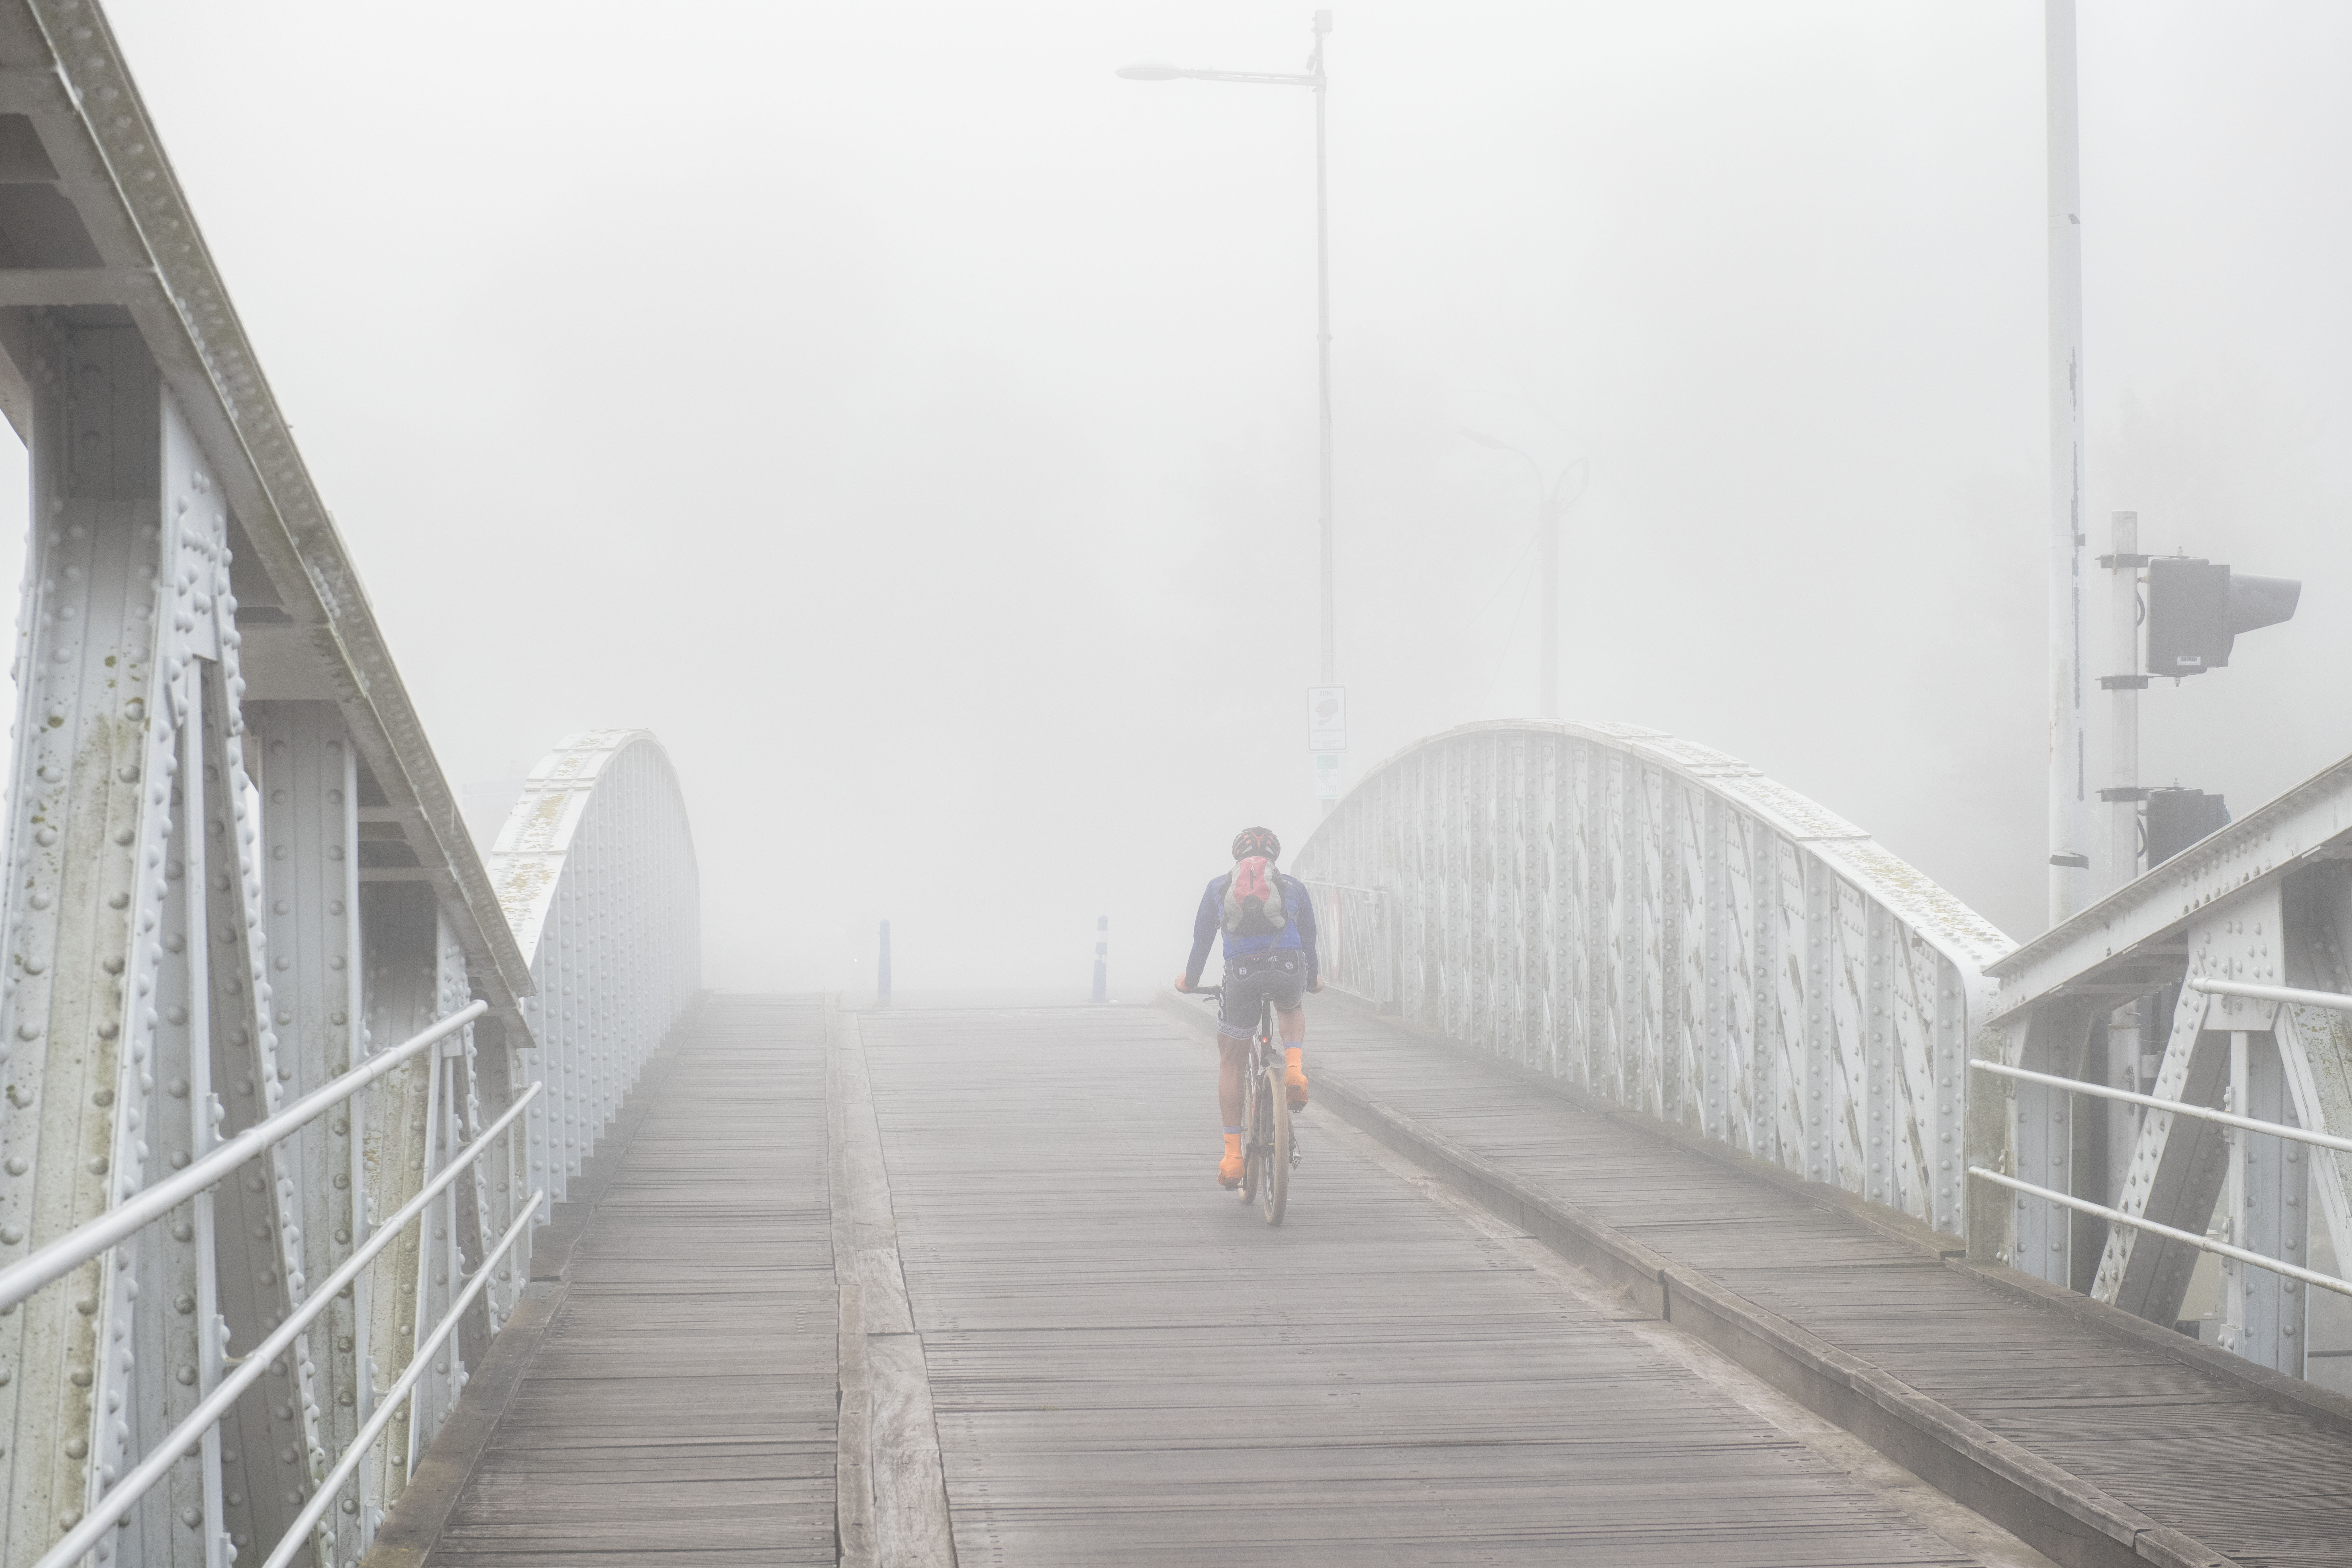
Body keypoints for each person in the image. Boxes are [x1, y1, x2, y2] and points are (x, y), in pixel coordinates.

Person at [1173, 826, 1322, 1188]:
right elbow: (1310, 942)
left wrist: (1190, 980)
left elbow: (1202, 942)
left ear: (1237, 857)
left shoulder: (1217, 888)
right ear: (1275, 856)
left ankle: (1233, 1157)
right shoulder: (1293, 886)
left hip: (1241, 972)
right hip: (1288, 966)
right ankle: (1294, 1071)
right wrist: (1313, 977)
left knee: (1232, 1060)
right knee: (1291, 1005)